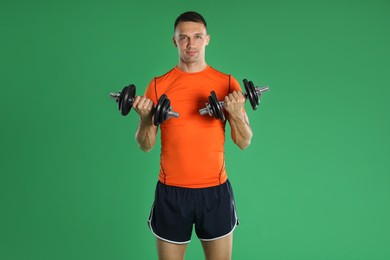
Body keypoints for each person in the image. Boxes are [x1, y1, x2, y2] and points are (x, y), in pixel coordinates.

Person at [132, 11, 253, 260]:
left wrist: (236, 113)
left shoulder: (227, 83)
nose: (191, 44)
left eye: (197, 36)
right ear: (174, 41)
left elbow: (244, 141)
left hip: (215, 192)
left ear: (207, 39)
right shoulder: (157, 85)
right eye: (184, 37)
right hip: (171, 192)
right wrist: (146, 118)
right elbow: (145, 145)